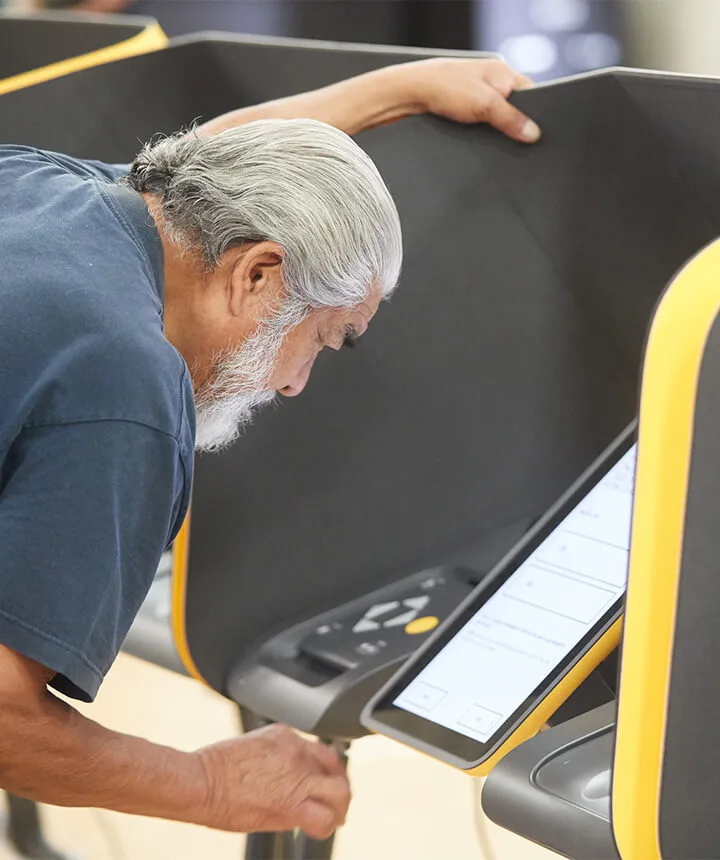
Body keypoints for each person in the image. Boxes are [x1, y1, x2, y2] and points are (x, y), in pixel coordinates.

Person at [0, 59, 539, 839]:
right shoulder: (124, 387)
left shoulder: (50, 189)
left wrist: (396, 90)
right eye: (322, 339)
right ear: (257, 275)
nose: (295, 384)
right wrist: (210, 787)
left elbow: (209, 163)